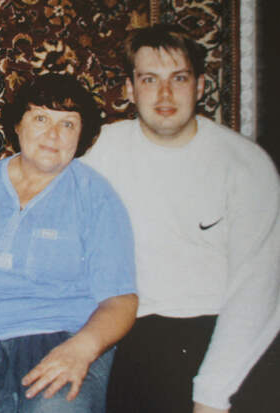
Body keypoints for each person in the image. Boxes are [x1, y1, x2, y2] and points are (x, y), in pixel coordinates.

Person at [82, 24, 280, 413]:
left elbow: (257, 290)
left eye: (179, 78)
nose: (165, 94)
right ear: (129, 89)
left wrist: (212, 394)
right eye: (149, 79)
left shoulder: (246, 165)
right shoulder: (102, 150)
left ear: (200, 86)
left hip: (228, 324)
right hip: (137, 328)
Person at [0, 74, 138, 413]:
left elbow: (120, 300)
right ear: (18, 125)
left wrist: (80, 350)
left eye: (67, 124)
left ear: (81, 135)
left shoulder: (96, 196)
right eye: (40, 118)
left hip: (66, 341)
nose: (53, 134)